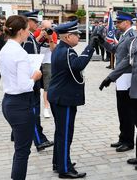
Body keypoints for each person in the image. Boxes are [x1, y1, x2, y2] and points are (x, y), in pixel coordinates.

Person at [99, 9, 137, 171]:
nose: (136, 24)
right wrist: (110, 77)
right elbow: (127, 61)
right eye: (136, 21)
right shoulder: (136, 41)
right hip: (136, 89)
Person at [48, 20, 98, 178]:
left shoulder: (59, 48)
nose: (79, 37)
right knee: (65, 133)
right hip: (65, 98)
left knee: (60, 132)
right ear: (68, 36)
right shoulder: (67, 51)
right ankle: (64, 168)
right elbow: (78, 65)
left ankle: (59, 162)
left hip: (58, 96)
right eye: (77, 35)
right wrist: (90, 47)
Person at [0, 15, 42, 180]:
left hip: (9, 101)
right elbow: (25, 85)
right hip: (20, 104)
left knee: (20, 149)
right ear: (21, 31)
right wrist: (35, 76)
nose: (29, 32)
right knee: (22, 151)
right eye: (28, 29)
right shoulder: (20, 53)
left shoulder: (5, 49)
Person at [98, 11, 137, 152]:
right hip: (121, 77)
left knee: (127, 112)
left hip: (126, 77)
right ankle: (123, 137)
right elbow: (116, 50)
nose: (116, 24)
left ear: (127, 22)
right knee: (122, 110)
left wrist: (111, 76)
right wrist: (102, 42)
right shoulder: (125, 35)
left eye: (119, 22)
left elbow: (127, 59)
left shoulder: (132, 36)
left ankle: (128, 141)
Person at [21, 11, 54, 151]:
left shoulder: (31, 37)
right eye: (35, 22)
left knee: (34, 110)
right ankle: (39, 140)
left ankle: (40, 137)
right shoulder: (28, 39)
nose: (37, 24)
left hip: (34, 78)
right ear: (28, 22)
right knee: (33, 111)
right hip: (31, 80)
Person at [34, 20, 58, 118]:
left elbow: (53, 50)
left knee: (47, 86)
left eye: (50, 28)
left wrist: (50, 38)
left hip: (48, 62)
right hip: (36, 61)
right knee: (34, 85)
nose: (48, 30)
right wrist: (40, 36)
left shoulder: (53, 34)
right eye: (45, 28)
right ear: (41, 27)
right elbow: (33, 44)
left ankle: (46, 107)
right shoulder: (36, 32)